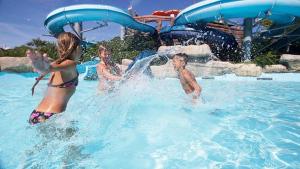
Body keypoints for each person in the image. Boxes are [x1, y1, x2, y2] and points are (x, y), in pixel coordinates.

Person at [26, 32, 83, 125]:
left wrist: (42, 68)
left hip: (36, 114)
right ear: (76, 47)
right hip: (50, 116)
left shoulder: (57, 63)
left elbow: (48, 68)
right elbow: (49, 68)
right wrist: (43, 67)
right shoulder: (71, 64)